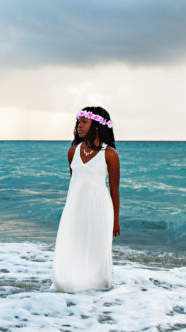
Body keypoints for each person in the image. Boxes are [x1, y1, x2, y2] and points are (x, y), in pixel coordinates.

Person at [50, 106, 120, 292]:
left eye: (84, 122)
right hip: (75, 208)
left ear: (96, 125)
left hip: (100, 209)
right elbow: (76, 182)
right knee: (73, 245)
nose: (79, 126)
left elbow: (114, 190)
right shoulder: (72, 152)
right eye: (78, 122)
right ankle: (72, 285)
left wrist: (116, 221)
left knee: (98, 250)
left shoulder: (110, 154)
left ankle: (101, 293)